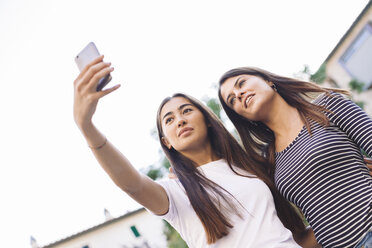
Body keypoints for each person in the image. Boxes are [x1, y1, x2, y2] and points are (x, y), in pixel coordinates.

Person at [73, 56, 318, 247]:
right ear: (166, 142)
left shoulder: (253, 167)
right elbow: (132, 184)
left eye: (186, 111)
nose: (179, 120)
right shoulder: (176, 193)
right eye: (169, 120)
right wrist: (87, 127)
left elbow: (292, 237)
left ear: (207, 120)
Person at [218, 66, 372, 248]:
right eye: (232, 100)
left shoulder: (327, 106)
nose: (239, 94)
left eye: (241, 83)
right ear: (241, 116)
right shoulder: (267, 160)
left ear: (268, 80)